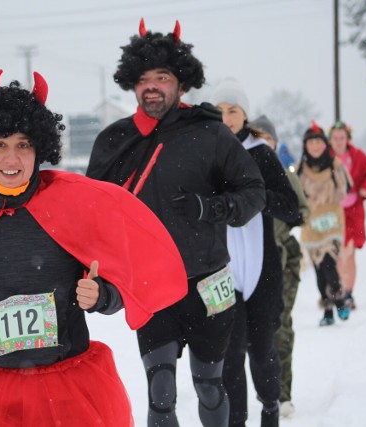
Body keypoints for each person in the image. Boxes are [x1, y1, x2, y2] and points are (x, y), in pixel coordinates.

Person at [0, 70, 189, 427]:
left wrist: (101, 297)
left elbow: (119, 286)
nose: (11, 158)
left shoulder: (69, 210)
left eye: (23, 144)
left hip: (68, 393)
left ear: (39, 150)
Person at [86, 19, 266, 427]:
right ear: (132, 83)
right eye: (144, 78)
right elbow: (90, 215)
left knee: (208, 385)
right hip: (150, 287)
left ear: (182, 83)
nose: (152, 86)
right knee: (160, 394)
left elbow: (254, 193)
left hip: (209, 283)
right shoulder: (114, 141)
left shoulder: (211, 133)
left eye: (162, 77)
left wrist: (209, 208)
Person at [212, 82, 301, 427]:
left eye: (233, 110)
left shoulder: (262, 153)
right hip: (223, 271)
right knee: (230, 356)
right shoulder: (209, 151)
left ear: (246, 114)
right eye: (220, 110)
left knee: (262, 351)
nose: (227, 117)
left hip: (264, 270)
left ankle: (270, 410)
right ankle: (237, 421)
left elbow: (293, 209)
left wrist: (257, 197)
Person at [251, 115, 310, 419]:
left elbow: (302, 210)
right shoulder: (242, 168)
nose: (263, 143)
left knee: (280, 326)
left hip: (283, 259)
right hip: (250, 264)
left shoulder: (285, 173)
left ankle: (282, 393)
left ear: (274, 142)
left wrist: (280, 216)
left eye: (268, 138)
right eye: (257, 136)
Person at [297, 121, 352, 326]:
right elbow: (297, 195)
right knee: (319, 269)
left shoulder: (336, 166)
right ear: (306, 146)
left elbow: (345, 189)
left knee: (329, 261)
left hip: (332, 222)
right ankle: (327, 308)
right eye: (311, 142)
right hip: (312, 226)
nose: (315, 146)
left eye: (318, 141)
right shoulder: (301, 169)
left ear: (325, 144)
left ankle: (339, 298)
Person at [328, 121, 366, 309]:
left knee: (349, 253)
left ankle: (348, 292)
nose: (339, 142)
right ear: (330, 140)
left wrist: (365, 188)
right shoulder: (326, 157)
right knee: (337, 254)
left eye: (342, 138)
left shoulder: (356, 156)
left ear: (348, 139)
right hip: (333, 212)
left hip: (353, 211)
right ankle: (338, 289)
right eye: (335, 138)